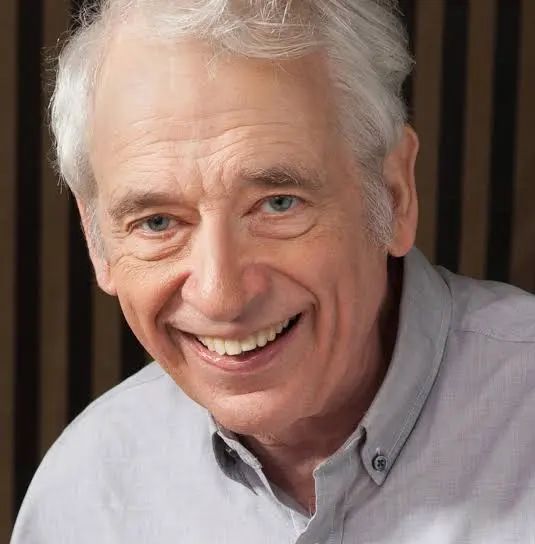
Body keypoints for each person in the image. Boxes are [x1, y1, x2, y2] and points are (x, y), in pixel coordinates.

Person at [11, 1, 535, 542]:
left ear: (394, 195)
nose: (221, 296)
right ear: (97, 240)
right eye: (158, 222)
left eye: (278, 204)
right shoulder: (86, 495)